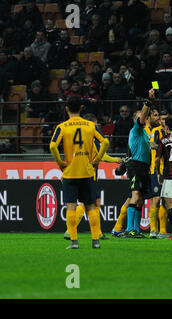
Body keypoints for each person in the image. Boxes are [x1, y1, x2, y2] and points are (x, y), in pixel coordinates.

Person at [49, 95, 110, 249]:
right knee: (91, 206)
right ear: (81, 108)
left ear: (67, 108)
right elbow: (105, 142)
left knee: (71, 206)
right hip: (87, 171)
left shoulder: (62, 127)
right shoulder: (90, 125)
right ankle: (95, 241)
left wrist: (60, 163)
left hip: (70, 172)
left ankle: (74, 242)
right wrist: (96, 160)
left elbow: (52, 146)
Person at [63, 113, 122, 241]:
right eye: (97, 125)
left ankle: (99, 233)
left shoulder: (80, 136)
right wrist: (115, 159)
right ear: (93, 124)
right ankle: (70, 230)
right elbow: (101, 156)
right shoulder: (92, 137)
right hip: (89, 173)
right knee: (88, 202)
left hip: (79, 171)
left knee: (95, 202)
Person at [120, 89, 155, 238]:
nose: (146, 119)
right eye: (144, 117)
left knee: (140, 198)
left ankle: (136, 229)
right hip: (136, 165)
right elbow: (142, 116)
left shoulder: (145, 135)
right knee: (135, 195)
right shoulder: (136, 130)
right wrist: (148, 101)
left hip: (144, 167)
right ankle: (129, 229)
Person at [145, 107, 169, 239]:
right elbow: (152, 144)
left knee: (165, 200)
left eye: (165, 119)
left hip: (168, 170)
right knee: (156, 199)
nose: (163, 121)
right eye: (161, 119)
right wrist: (164, 145)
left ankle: (163, 231)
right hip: (156, 169)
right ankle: (153, 230)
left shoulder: (168, 133)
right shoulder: (156, 131)